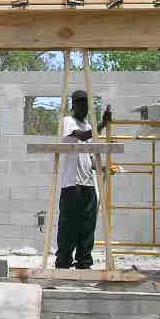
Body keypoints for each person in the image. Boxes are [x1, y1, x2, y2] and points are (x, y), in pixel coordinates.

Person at [56, 90, 111, 270]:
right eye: (79, 103)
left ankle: (84, 263)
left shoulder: (88, 125)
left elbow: (88, 159)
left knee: (87, 227)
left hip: (88, 185)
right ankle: (63, 263)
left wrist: (102, 168)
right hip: (72, 185)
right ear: (73, 105)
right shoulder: (68, 122)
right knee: (69, 226)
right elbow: (81, 136)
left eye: (85, 103)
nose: (82, 106)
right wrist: (102, 124)